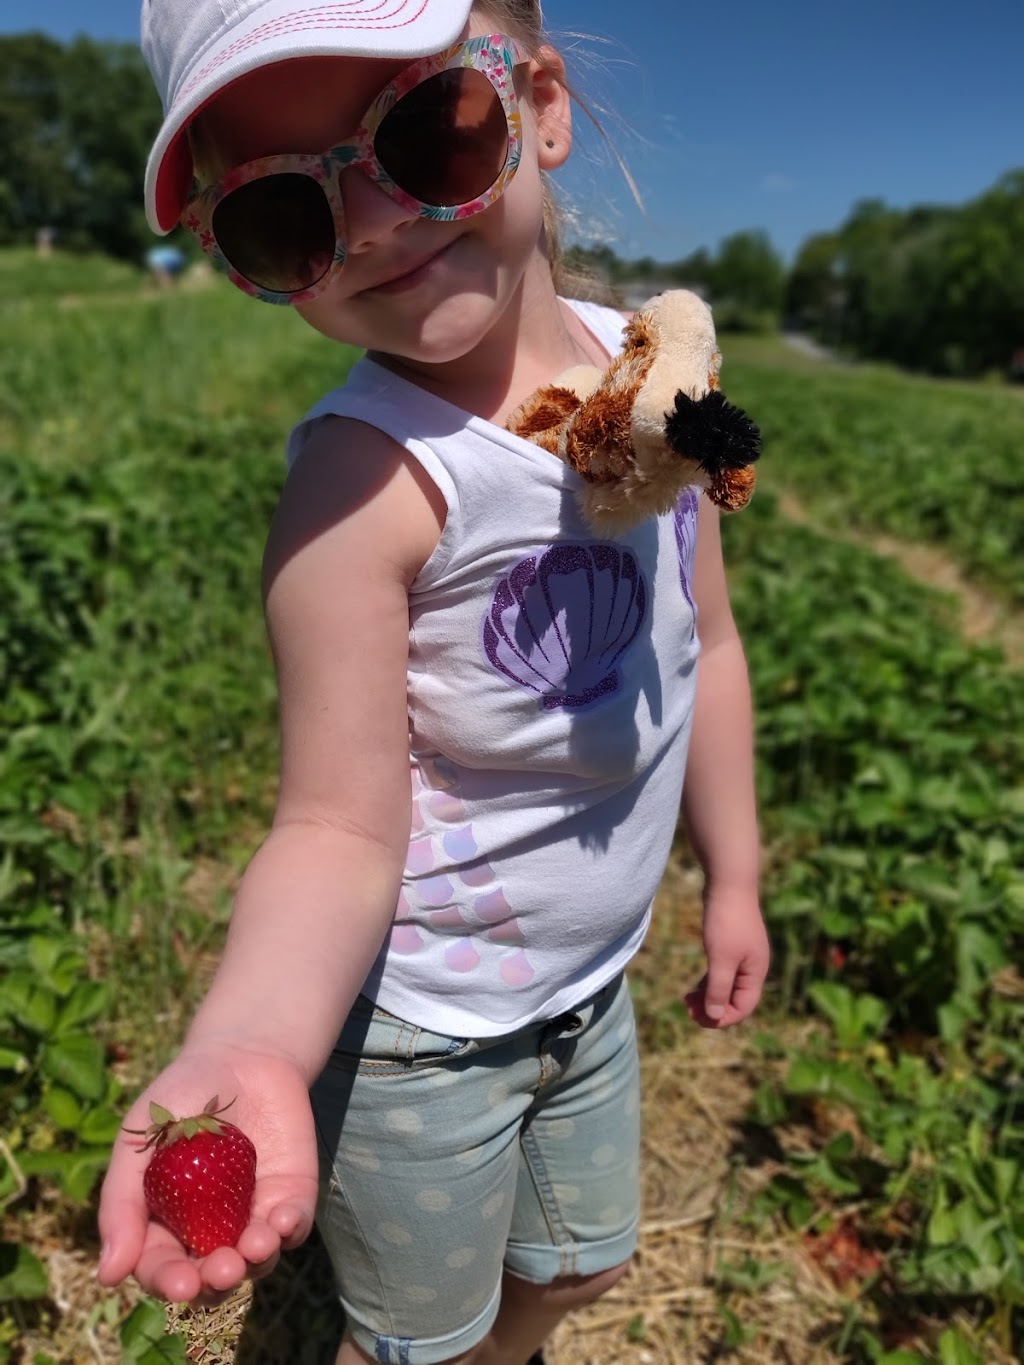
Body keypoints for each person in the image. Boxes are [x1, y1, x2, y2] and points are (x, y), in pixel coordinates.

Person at [97, 3, 771, 1362]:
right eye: (285, 215)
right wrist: (255, 1040)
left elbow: (708, 634)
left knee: (583, 1265)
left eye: (425, 132)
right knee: (419, 1340)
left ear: (540, 103)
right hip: (427, 1030)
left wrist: (735, 870)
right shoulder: (366, 482)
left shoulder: (653, 379)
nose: (380, 223)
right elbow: (335, 827)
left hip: (589, 982)